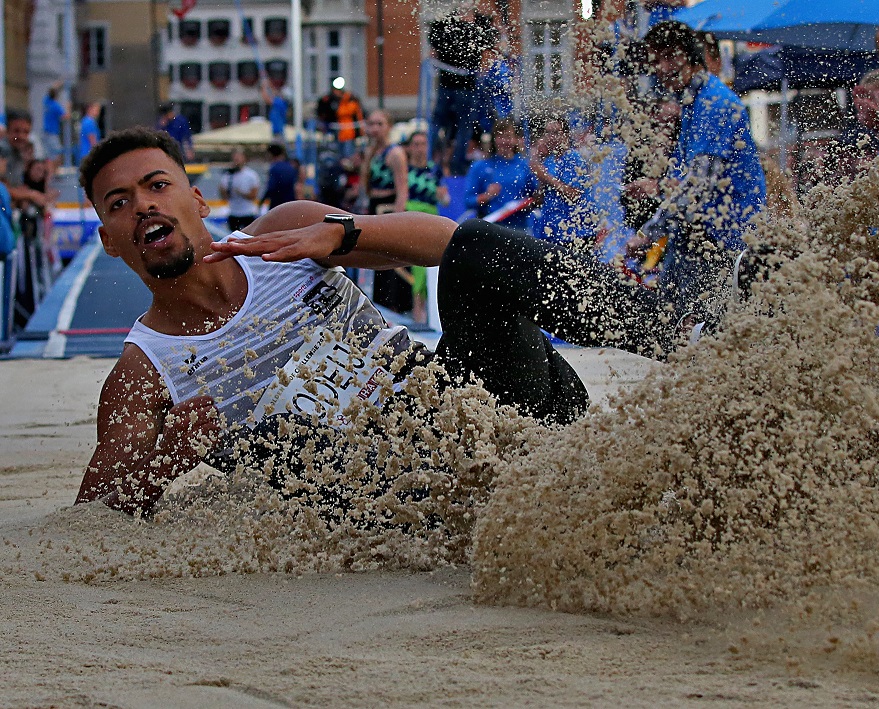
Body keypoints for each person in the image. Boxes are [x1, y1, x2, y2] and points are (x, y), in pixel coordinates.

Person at [72, 127, 734, 516]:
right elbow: (95, 515)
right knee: (258, 440)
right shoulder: (142, 369)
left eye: (157, 186)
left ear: (193, 198)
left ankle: (685, 334)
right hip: (399, 489)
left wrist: (346, 234)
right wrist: (169, 452)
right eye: (120, 202)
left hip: (487, 406)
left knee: (477, 249)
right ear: (108, 238)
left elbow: (449, 241)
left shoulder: (280, 235)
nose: (143, 207)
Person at [631, 21, 766, 310]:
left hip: (722, 239)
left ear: (691, 56)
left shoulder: (715, 104)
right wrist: (657, 186)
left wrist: (646, 235)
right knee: (672, 319)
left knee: (693, 325)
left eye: (670, 57)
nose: (662, 68)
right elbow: (687, 178)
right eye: (656, 60)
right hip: (696, 234)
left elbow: (697, 189)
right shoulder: (693, 103)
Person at [428, 8, 493, 176]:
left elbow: (433, 54)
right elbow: (489, 51)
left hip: (449, 83)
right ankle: (455, 164)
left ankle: (431, 160)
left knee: (439, 123)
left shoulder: (443, 22)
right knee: (462, 126)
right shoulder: (479, 23)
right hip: (464, 85)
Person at [361, 110, 411, 313]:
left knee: (392, 260)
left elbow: (402, 189)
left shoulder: (395, 153)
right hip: (375, 206)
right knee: (377, 259)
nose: (375, 129)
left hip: (389, 207)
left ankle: (397, 304)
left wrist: (398, 221)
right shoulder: (371, 152)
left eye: (379, 124)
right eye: (371, 124)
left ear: (388, 127)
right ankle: (382, 303)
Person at [405, 130, 450, 327]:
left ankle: (427, 313)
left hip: (431, 217)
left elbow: (446, 201)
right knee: (417, 264)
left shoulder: (435, 170)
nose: (419, 148)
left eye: (422, 144)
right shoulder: (404, 170)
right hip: (410, 217)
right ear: (409, 147)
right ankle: (418, 312)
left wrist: (443, 195)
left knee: (430, 264)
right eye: (415, 144)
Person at [529, 116, 595, 244]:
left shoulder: (574, 159)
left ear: (565, 135)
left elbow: (574, 194)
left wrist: (545, 177)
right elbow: (539, 199)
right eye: (547, 133)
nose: (551, 137)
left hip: (575, 232)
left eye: (555, 133)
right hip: (552, 231)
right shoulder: (548, 161)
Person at [463, 117, 537, 231]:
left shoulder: (525, 166)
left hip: (520, 228)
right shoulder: (480, 166)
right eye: (500, 136)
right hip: (491, 228)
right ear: (494, 139)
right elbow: (468, 201)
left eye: (508, 137)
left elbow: (536, 197)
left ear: (516, 139)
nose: (504, 141)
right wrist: (486, 196)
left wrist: (526, 204)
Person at [219, 148, 260, 232]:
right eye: (235, 158)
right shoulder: (227, 176)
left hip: (247, 213)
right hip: (233, 212)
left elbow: (253, 195)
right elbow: (224, 197)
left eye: (239, 157)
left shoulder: (251, 175)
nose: (236, 160)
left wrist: (241, 193)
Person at [260, 143, 298, 209]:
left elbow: (271, 187)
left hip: (277, 203)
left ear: (271, 154)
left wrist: (262, 201)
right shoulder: (290, 167)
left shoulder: (274, 168)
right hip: (290, 201)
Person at [41, 84, 68, 170]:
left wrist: (58, 84)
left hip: (45, 132)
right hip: (52, 133)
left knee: (48, 155)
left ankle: (50, 173)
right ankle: (53, 173)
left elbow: (51, 90)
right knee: (57, 155)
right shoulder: (55, 105)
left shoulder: (46, 102)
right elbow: (65, 116)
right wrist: (68, 107)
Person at [335, 89, 366, 158]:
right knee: (342, 153)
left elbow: (343, 112)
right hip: (342, 132)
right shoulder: (341, 104)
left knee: (348, 153)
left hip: (349, 132)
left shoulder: (350, 104)